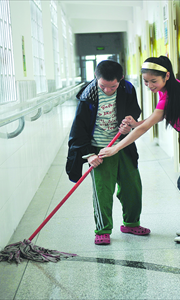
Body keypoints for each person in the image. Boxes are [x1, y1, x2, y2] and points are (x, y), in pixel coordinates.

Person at [99, 56, 180, 242]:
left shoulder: (173, 94)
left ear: (167, 76)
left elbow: (145, 128)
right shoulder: (169, 88)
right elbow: (150, 121)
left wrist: (116, 148)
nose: (149, 86)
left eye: (153, 81)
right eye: (146, 81)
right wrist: (136, 123)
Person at [66, 60, 150, 245]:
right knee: (103, 192)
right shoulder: (88, 95)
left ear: (120, 80)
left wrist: (129, 124)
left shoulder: (127, 89)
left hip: (123, 146)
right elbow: (78, 129)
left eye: (112, 86)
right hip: (99, 150)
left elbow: (133, 111)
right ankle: (102, 230)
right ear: (96, 79)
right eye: (103, 86)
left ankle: (131, 223)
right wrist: (89, 155)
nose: (107, 90)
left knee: (132, 187)